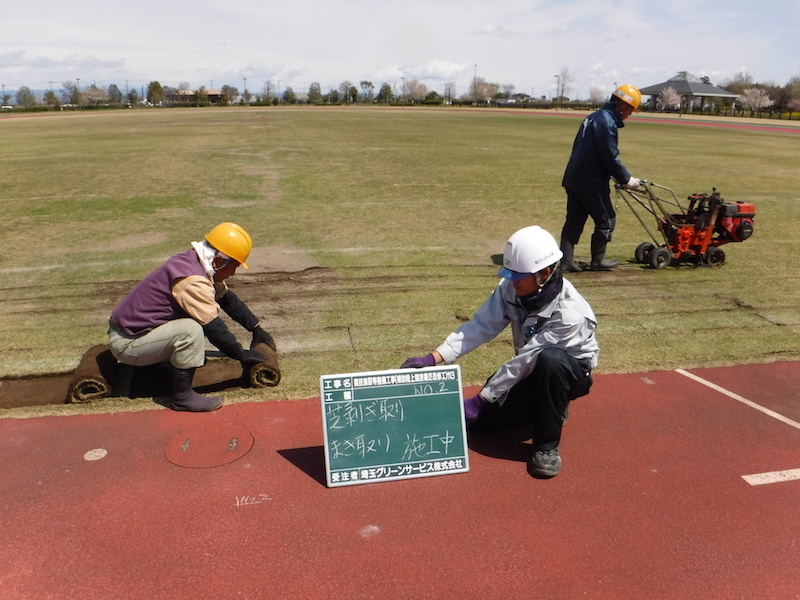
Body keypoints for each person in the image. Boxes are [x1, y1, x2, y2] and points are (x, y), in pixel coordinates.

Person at [401, 226, 599, 478]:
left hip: (568, 373)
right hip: (527, 367)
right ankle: (542, 405)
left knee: (551, 361)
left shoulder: (572, 314)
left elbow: (527, 360)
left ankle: (546, 445)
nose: (512, 281)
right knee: (480, 424)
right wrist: (435, 358)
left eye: (519, 276)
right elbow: (481, 325)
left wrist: (482, 398)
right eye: (510, 274)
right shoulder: (512, 287)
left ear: (544, 273)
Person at [107, 222, 275, 412]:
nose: (234, 272)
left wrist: (256, 328)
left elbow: (227, 299)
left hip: (134, 333)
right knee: (191, 330)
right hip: (128, 344)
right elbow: (213, 327)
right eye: (235, 266)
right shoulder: (192, 281)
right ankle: (182, 397)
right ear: (220, 261)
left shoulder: (195, 262)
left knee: (190, 338)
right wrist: (239, 354)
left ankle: (153, 369)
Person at [560, 84, 642, 272]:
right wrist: (626, 179)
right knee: (606, 220)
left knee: (574, 220)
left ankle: (566, 262)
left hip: (574, 177)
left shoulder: (594, 117)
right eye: (631, 110)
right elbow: (608, 156)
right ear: (622, 106)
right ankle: (598, 260)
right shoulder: (606, 122)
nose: (630, 114)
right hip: (591, 182)